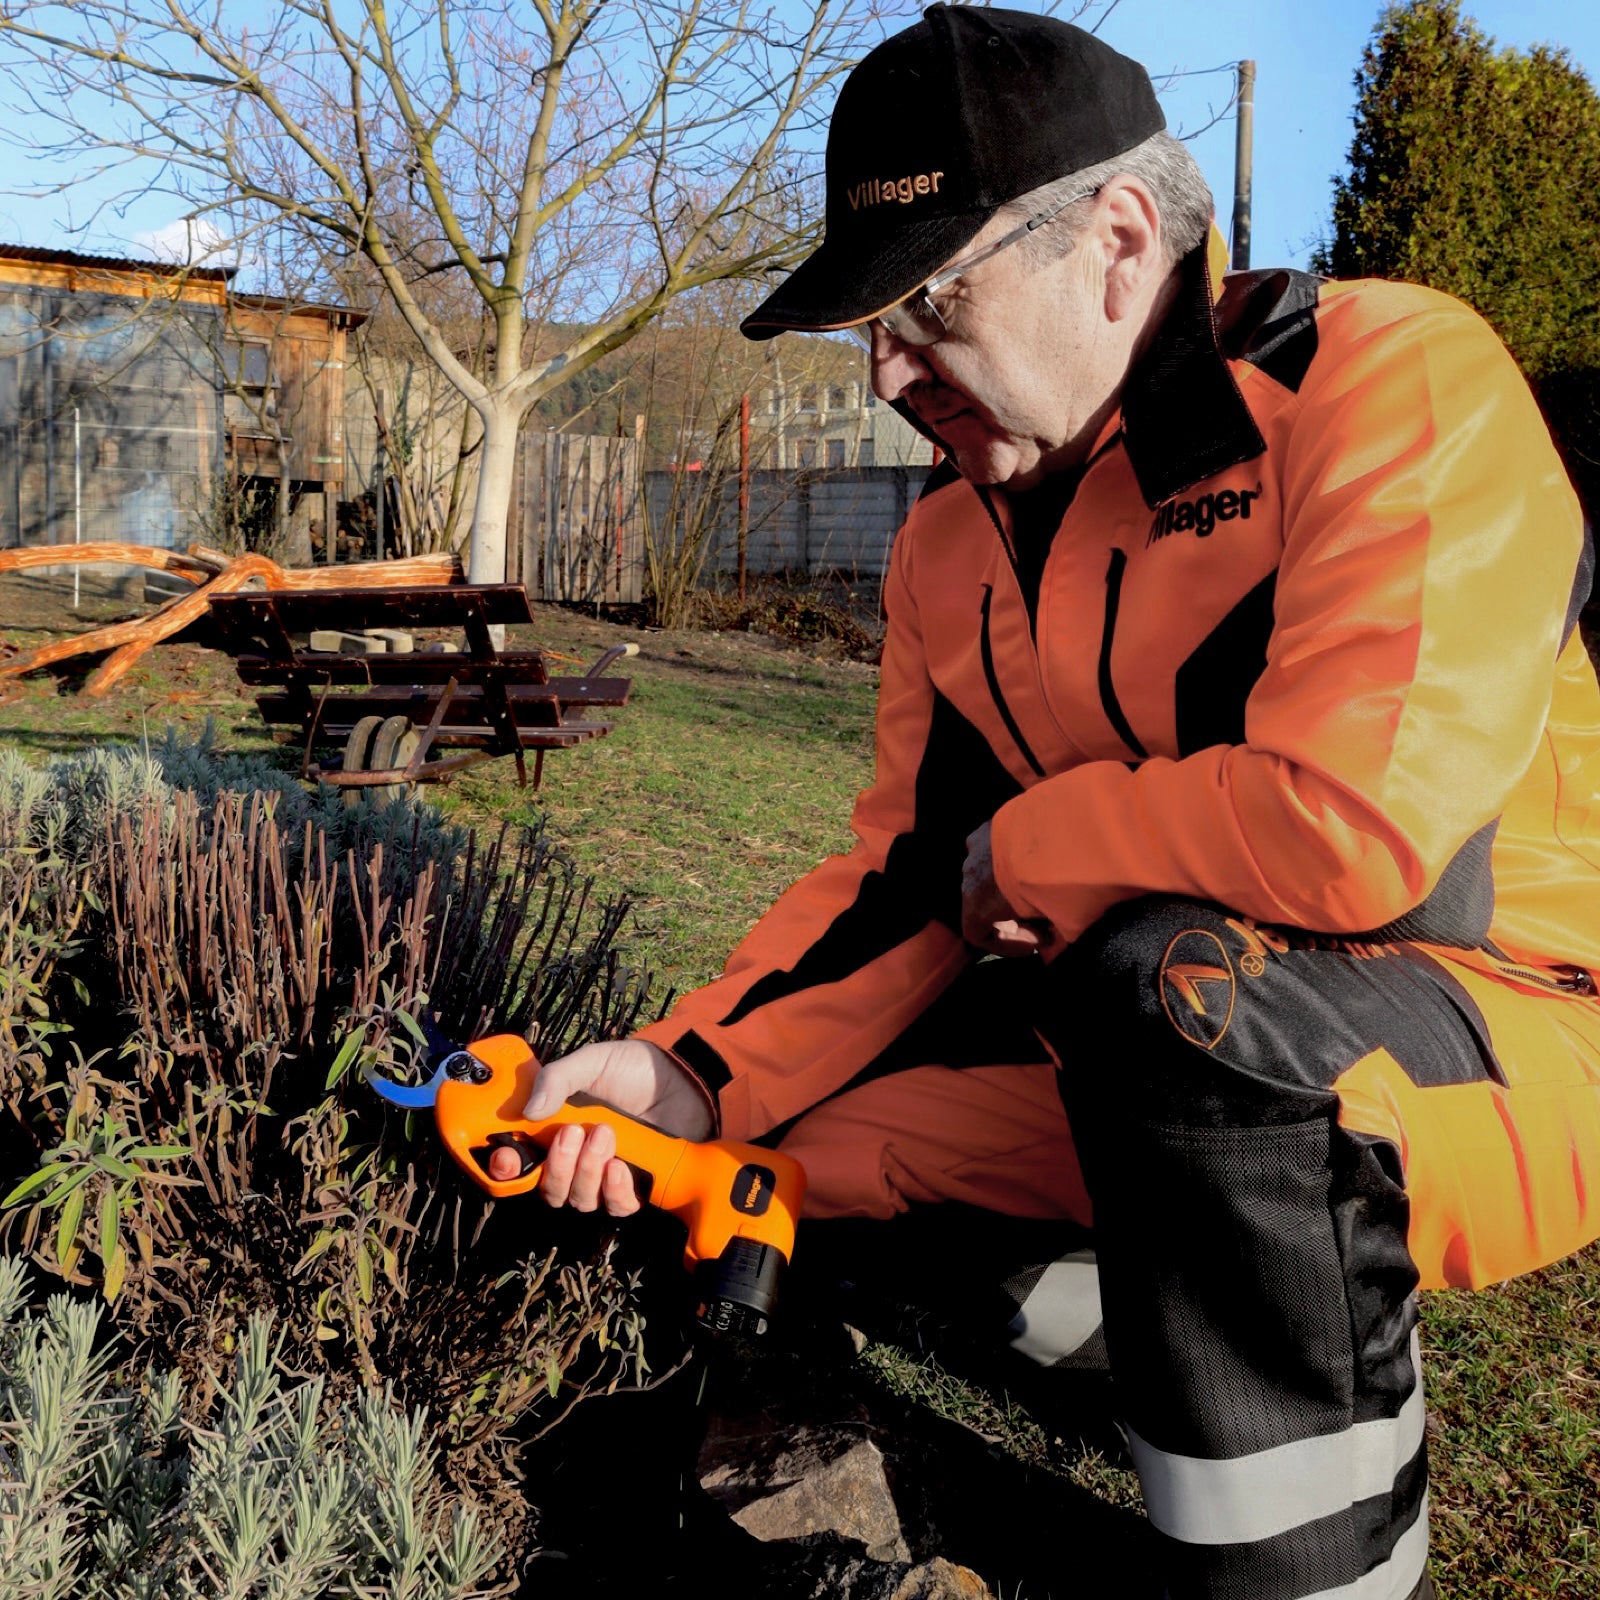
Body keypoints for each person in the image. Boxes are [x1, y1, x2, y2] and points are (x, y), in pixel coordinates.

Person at [495, 8, 1600, 1598]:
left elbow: (1358, 826)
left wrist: (1032, 847)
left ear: (1121, 238)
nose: (886, 371)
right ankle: (1184, 1353)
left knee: (1170, 994)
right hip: (1173, 1031)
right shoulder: (948, 543)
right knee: (797, 1142)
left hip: (1515, 1020)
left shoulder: (1390, 380)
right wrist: (685, 1079)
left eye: (926, 303)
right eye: (868, 325)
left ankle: (1315, 1564)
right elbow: (902, 880)